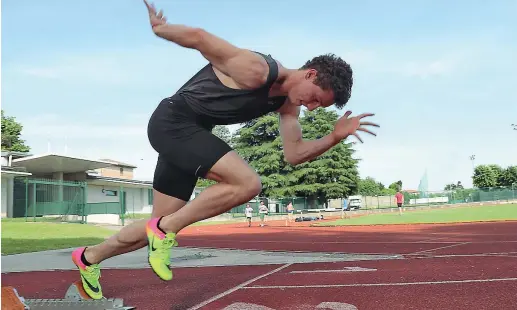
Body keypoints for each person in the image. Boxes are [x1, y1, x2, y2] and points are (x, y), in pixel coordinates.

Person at [70, 0, 379, 300]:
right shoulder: (257, 69)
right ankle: (165, 232)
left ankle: (89, 257)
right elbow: (201, 39)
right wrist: (161, 30)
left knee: (156, 222)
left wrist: (334, 138)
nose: (311, 107)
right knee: (248, 183)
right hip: (172, 121)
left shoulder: (286, 105)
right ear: (310, 74)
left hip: (189, 135)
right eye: (314, 98)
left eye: (318, 106)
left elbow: (294, 154)